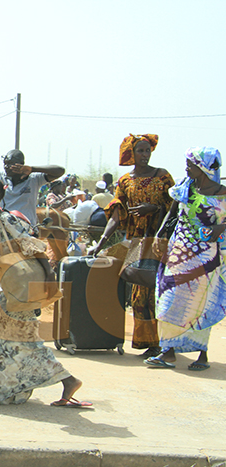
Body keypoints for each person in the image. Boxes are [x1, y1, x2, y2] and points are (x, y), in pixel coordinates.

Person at [0, 177, 91, 407]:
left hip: (12, 288)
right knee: (21, 342)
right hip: (5, 287)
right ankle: (67, 380)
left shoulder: (5, 219)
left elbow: (29, 242)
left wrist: (48, 276)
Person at [88, 134, 174, 357]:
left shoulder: (163, 176)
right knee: (139, 295)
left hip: (160, 240)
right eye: (141, 151)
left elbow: (176, 208)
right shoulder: (125, 181)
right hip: (137, 241)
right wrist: (100, 244)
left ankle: (166, 344)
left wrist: (154, 209)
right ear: (131, 154)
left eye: (147, 151)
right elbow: (116, 216)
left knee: (161, 292)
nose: (145, 155)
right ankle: (150, 343)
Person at [146, 147, 226, 371]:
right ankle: (168, 351)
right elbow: (171, 215)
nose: (186, 168)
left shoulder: (223, 195)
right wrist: (159, 236)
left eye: (191, 164)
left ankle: (202, 354)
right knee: (168, 297)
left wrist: (220, 227)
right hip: (178, 252)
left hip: (206, 257)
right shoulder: (184, 187)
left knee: (200, 304)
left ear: (203, 168)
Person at [0, 149, 65, 226]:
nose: (6, 167)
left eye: (10, 164)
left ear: (21, 164)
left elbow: (60, 171)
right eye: (5, 164)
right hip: (3, 225)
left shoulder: (34, 179)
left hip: (26, 228)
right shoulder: (0, 177)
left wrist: (32, 169)